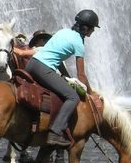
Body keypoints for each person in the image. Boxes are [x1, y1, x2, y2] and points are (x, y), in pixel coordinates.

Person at [13, 10, 99, 147]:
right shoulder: (79, 43)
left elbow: (56, 58)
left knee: (61, 91)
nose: (93, 31)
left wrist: (66, 77)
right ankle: (55, 132)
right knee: (73, 97)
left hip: (32, 64)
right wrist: (90, 92)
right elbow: (81, 75)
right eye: (93, 28)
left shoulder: (63, 32)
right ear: (85, 27)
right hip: (44, 69)